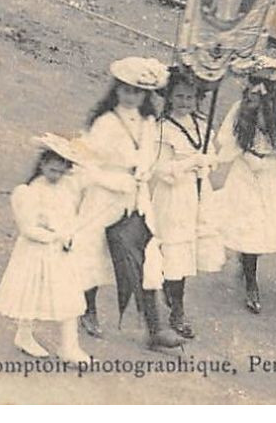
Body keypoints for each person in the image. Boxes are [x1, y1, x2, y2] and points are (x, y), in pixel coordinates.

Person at [77, 56, 183, 352]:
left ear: (146, 95)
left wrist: (144, 171)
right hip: (105, 194)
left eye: (137, 91)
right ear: (116, 89)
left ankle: (155, 327)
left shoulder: (149, 122)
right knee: (94, 253)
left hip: (135, 197)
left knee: (144, 258)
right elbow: (86, 164)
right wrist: (113, 181)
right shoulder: (105, 123)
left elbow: (148, 155)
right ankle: (89, 309)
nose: (130, 96)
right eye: (125, 89)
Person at [213, 56, 276, 314]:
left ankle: (248, 263)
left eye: (264, 85)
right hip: (245, 169)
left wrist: (272, 135)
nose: (257, 90)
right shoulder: (241, 108)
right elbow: (226, 140)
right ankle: (250, 280)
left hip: (272, 173)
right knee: (247, 225)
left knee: (262, 227)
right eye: (254, 83)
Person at [0, 134, 94, 362]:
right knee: (31, 295)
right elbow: (28, 229)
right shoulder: (28, 192)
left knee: (69, 298)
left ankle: (69, 347)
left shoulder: (67, 188)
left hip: (61, 253)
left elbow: (72, 214)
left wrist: (69, 235)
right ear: (42, 165)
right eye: (52, 170)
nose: (56, 176)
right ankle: (24, 335)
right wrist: (55, 235)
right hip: (36, 251)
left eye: (61, 171)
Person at [152, 66, 224, 340]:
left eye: (190, 97)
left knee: (187, 251)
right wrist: (189, 164)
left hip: (197, 195)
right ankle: (176, 308)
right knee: (174, 249)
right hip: (173, 196)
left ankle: (174, 294)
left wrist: (207, 163)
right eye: (179, 96)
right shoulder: (163, 129)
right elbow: (160, 169)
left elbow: (212, 156)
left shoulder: (202, 126)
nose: (185, 102)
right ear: (169, 97)